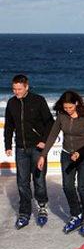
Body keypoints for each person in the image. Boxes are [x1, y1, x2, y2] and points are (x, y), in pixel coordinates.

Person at [38, 91, 84, 236]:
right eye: (65, 107)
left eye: (70, 108)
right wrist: (42, 156)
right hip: (67, 155)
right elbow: (53, 136)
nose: (67, 110)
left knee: (82, 187)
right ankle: (76, 215)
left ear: (76, 103)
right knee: (67, 186)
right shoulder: (61, 116)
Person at [4, 74, 54, 229]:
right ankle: (24, 212)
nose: (16, 92)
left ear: (26, 87)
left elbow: (50, 123)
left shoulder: (38, 100)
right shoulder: (11, 103)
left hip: (37, 148)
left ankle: (42, 207)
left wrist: (44, 141)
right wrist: (7, 145)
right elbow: (9, 126)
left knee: (39, 181)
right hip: (21, 148)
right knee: (22, 182)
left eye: (19, 89)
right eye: (14, 89)